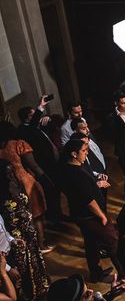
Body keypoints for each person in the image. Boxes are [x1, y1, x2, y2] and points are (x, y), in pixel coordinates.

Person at [59, 139, 119, 282]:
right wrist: (102, 216)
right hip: (90, 217)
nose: (87, 153)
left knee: (91, 243)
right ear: (74, 153)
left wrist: (96, 183)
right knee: (113, 241)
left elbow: (85, 187)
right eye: (84, 151)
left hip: (85, 216)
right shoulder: (75, 174)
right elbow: (88, 201)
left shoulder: (78, 166)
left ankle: (96, 273)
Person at [0, 121, 52, 253]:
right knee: (37, 213)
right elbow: (33, 165)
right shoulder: (18, 144)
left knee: (22, 217)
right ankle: (42, 244)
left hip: (8, 185)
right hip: (25, 181)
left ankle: (29, 246)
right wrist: (47, 179)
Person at [0, 161, 49, 301]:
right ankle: (29, 296)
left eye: (11, 172)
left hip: (24, 235)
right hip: (16, 239)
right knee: (23, 272)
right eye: (7, 173)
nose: (11, 175)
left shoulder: (17, 186)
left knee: (34, 262)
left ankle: (40, 287)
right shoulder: (2, 196)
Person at [16, 96, 61, 225]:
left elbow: (50, 126)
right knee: (50, 192)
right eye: (33, 115)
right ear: (27, 118)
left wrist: (48, 118)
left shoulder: (34, 125)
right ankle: (53, 218)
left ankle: (58, 214)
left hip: (52, 163)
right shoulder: (24, 130)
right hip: (44, 167)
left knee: (56, 190)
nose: (36, 116)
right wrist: (40, 107)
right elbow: (31, 131)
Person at [107, 89, 125, 160]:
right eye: (123, 103)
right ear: (116, 103)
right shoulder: (111, 117)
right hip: (124, 151)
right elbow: (113, 136)